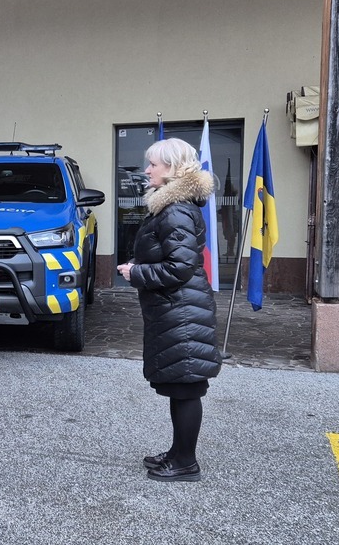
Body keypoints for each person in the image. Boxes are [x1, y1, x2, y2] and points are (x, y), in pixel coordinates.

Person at [116, 137, 221, 483]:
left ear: (173, 168)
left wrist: (136, 273)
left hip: (182, 312)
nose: (146, 170)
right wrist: (139, 265)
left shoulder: (175, 210)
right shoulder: (170, 206)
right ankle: (178, 453)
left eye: (153, 164)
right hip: (177, 310)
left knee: (186, 388)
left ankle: (186, 463)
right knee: (180, 386)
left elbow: (180, 267)